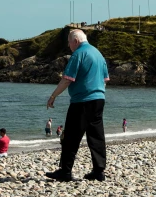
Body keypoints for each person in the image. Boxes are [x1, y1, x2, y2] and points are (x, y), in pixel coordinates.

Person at [45, 29, 109, 182]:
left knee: (71, 137)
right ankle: (98, 171)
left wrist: (53, 96)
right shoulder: (98, 54)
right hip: (99, 98)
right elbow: (105, 79)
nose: (69, 46)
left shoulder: (79, 54)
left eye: (69, 43)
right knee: (96, 136)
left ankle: (65, 171)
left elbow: (67, 79)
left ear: (75, 41)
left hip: (82, 101)